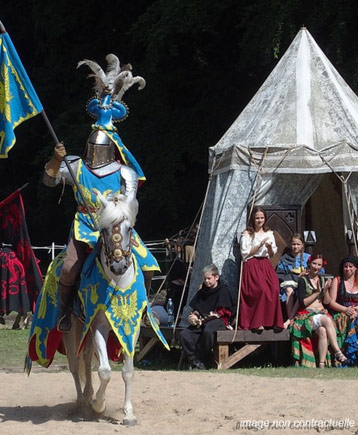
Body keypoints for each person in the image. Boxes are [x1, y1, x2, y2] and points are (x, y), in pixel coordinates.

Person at [43, 56, 159, 332]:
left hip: (116, 225)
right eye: (92, 145)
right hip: (84, 226)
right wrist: (56, 161)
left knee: (149, 264)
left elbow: (131, 206)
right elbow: (48, 181)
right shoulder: (75, 166)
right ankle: (64, 311)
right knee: (70, 267)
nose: (95, 151)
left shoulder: (125, 172)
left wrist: (117, 215)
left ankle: (144, 309)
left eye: (101, 147)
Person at [289, 253, 346, 367]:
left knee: (323, 331)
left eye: (319, 265)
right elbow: (303, 302)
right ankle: (337, 351)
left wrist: (325, 290)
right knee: (327, 320)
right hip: (307, 315)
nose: (316, 267)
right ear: (309, 263)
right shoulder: (303, 280)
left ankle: (321, 364)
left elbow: (326, 302)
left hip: (320, 313)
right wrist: (316, 293)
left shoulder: (323, 279)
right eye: (314, 263)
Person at [179, 264, 233, 370]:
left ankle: (204, 358)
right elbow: (197, 308)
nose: (206, 281)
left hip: (219, 320)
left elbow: (223, 311)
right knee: (185, 334)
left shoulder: (223, 290)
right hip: (202, 321)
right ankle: (193, 359)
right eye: (205, 279)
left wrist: (211, 316)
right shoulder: (203, 291)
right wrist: (194, 316)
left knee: (208, 331)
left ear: (216, 277)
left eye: (209, 278)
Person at [239, 207, 284, 331]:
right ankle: (257, 322)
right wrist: (259, 245)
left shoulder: (269, 233)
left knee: (274, 288)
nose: (260, 220)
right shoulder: (247, 233)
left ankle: (272, 321)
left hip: (265, 264)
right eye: (257, 218)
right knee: (261, 289)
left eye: (262, 218)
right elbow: (245, 253)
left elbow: (271, 254)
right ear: (253, 219)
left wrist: (269, 247)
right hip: (252, 264)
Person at [275, 233, 312, 327]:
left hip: (304, 282)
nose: (295, 246)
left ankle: (296, 318)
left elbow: (316, 271)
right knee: (289, 291)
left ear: (302, 245)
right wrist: (290, 275)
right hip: (289, 282)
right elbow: (279, 274)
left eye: (298, 244)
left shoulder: (308, 258)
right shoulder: (285, 259)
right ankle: (291, 318)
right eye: (293, 244)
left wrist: (305, 274)